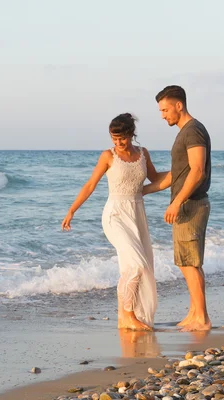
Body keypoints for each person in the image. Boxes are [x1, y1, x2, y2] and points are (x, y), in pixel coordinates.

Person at [62, 113, 160, 331]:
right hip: (115, 215)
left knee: (132, 267)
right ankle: (128, 314)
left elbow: (155, 179)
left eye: (122, 138)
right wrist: (71, 211)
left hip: (136, 214)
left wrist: (183, 174)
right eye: (114, 139)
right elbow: (90, 185)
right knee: (136, 264)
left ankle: (125, 317)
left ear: (131, 134)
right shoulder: (108, 156)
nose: (118, 143)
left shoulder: (143, 154)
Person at [144, 85, 212, 332]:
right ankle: (195, 312)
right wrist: (142, 190)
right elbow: (177, 174)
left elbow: (197, 170)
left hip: (191, 204)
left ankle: (202, 318)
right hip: (189, 203)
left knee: (188, 263)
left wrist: (176, 202)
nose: (162, 115)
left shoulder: (193, 131)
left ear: (178, 105)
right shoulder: (186, 132)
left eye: (164, 109)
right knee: (188, 261)